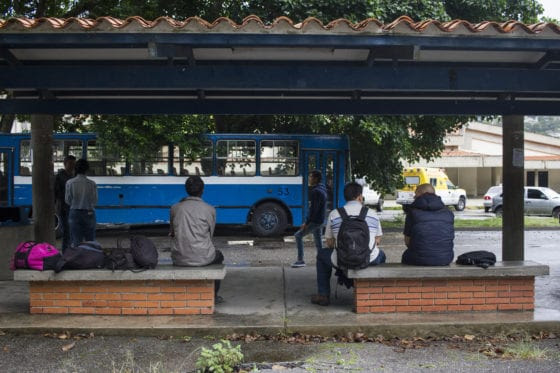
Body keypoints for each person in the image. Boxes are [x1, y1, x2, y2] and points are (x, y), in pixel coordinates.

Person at [318, 181, 385, 306]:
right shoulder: (372, 214)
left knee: (322, 255)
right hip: (368, 259)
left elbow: (329, 242)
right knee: (382, 255)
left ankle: (323, 295)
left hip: (342, 260)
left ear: (345, 197)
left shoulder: (334, 214)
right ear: (360, 197)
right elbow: (378, 240)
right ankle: (374, 293)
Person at [169, 176, 224, 301]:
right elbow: (210, 235)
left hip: (179, 257)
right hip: (203, 256)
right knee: (219, 256)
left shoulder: (175, 208)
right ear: (202, 190)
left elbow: (172, 233)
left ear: (186, 190)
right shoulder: (210, 209)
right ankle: (213, 296)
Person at [401, 183, 454, 266]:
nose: (414, 197)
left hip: (417, 259)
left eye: (416, 194)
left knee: (406, 256)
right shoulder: (448, 213)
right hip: (445, 258)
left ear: (422, 194)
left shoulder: (412, 213)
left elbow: (407, 242)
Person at [292, 170, 327, 268]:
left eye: (311, 177)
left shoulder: (315, 191)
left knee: (298, 235)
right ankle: (322, 261)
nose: (309, 179)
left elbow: (313, 210)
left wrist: (306, 223)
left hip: (315, 221)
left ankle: (301, 260)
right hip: (320, 220)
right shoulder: (322, 188)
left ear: (316, 178)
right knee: (318, 241)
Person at [65, 159, 97, 248]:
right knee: (90, 240)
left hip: (74, 213)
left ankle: (78, 259)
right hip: (89, 213)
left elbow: (67, 200)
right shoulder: (92, 184)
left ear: (75, 169)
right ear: (87, 170)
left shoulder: (69, 183)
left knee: (76, 241)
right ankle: (90, 259)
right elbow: (94, 201)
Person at [54, 155, 76, 252]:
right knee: (67, 232)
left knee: (72, 231)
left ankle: (70, 252)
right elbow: (56, 192)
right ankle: (65, 252)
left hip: (73, 208)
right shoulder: (59, 177)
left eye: (73, 164)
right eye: (70, 164)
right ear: (65, 164)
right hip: (63, 207)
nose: (72, 166)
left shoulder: (74, 176)